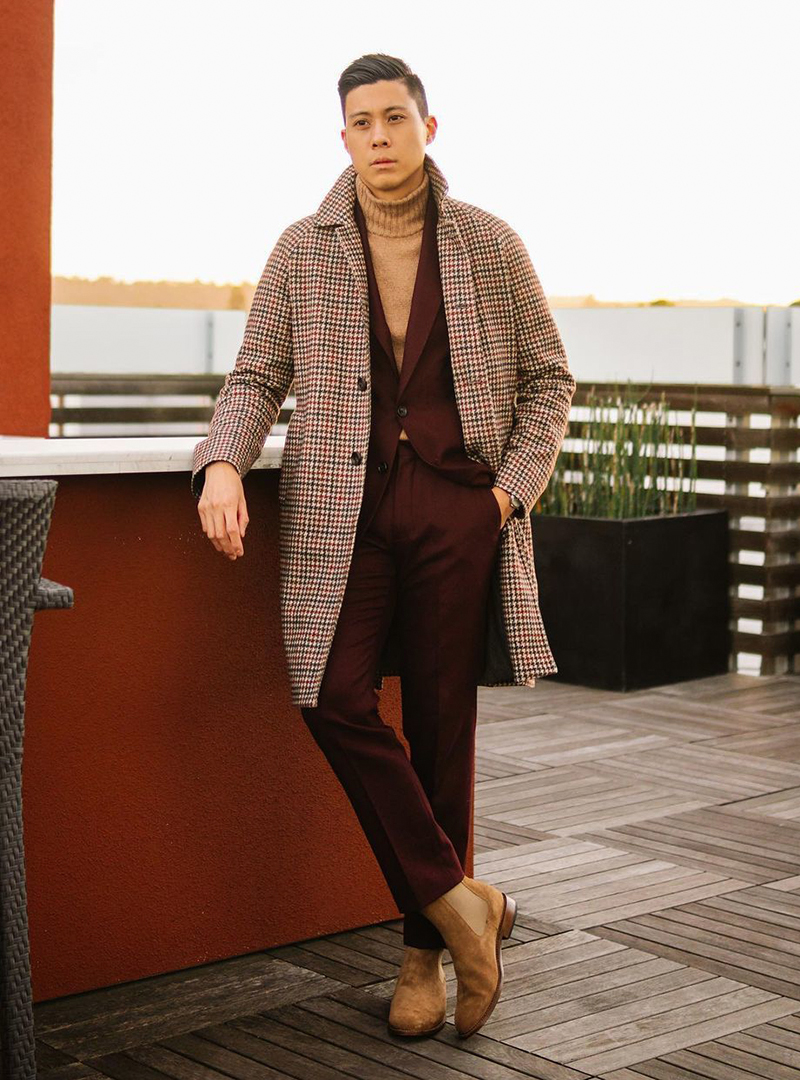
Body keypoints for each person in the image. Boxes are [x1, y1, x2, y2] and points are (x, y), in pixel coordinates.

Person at [191, 53, 576, 1040]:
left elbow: (547, 378)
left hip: (456, 511)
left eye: (393, 117)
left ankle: (421, 956)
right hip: (341, 513)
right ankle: (462, 902)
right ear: (342, 137)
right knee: (328, 693)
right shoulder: (302, 248)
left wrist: (500, 500)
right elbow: (254, 376)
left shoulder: (488, 244)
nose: (378, 136)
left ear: (426, 127)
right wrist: (222, 466)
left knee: (443, 729)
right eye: (360, 121)